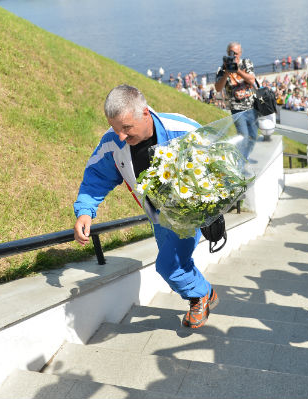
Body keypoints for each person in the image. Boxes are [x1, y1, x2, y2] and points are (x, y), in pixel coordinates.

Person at [73, 85, 219, 329]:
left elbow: (220, 166)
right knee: (176, 261)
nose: (120, 136)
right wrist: (85, 211)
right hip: (157, 215)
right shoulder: (113, 142)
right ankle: (204, 293)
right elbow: (96, 176)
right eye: (116, 128)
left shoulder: (184, 130)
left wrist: (214, 212)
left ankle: (200, 295)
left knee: (168, 265)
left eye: (126, 128)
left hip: (189, 212)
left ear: (145, 113)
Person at [214, 42, 258, 161]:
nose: (234, 56)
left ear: (240, 53)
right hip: (237, 108)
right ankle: (240, 164)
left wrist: (237, 70)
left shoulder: (246, 63)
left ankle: (245, 156)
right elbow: (218, 88)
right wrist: (226, 74)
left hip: (252, 106)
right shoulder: (222, 69)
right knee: (243, 136)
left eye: (236, 54)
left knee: (253, 136)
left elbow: (251, 79)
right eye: (231, 53)